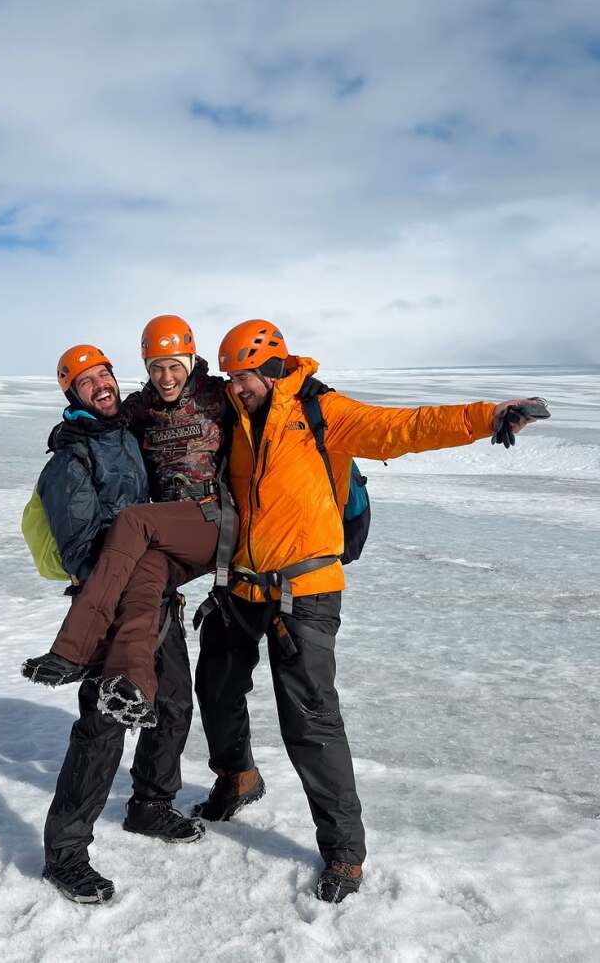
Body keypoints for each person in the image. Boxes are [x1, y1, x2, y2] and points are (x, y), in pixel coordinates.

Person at [192, 319, 549, 905]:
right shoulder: (238, 419)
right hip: (242, 586)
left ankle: (344, 852)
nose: (236, 386)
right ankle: (238, 777)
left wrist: (490, 416)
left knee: (310, 723)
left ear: (274, 366)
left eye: (244, 375)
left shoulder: (322, 411)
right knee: (217, 686)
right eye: (230, 377)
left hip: (304, 592)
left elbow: (404, 427)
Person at [33, 342, 203, 907]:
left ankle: (151, 805)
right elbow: (81, 548)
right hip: (109, 604)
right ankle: (65, 854)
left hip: (156, 597)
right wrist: (131, 583)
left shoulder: (128, 435)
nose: (101, 385)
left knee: (174, 703)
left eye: (104, 374)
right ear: (72, 395)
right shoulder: (69, 461)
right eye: (87, 381)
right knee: (104, 724)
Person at [23, 315, 236, 723]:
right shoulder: (142, 408)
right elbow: (108, 424)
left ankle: (73, 646)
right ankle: (130, 684)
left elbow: (264, 400)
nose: (166, 377)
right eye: (156, 367)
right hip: (169, 532)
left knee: (135, 521)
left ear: (190, 361)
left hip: (213, 520)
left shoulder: (218, 396)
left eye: (174, 365)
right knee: (145, 582)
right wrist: (67, 433)